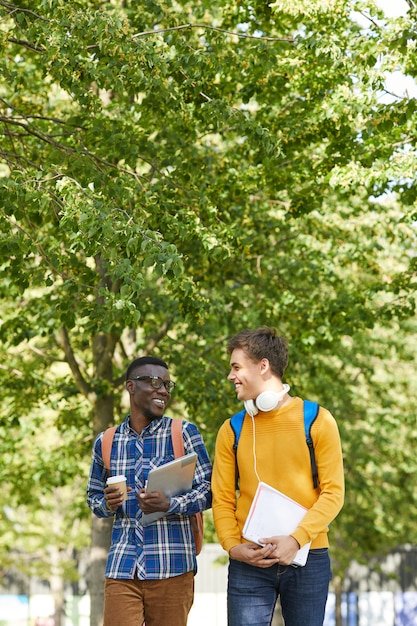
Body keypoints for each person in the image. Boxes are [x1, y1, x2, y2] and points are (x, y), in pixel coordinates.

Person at [212, 327, 344, 626]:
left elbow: (334, 493)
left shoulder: (318, 421)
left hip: (309, 559)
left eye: (236, 367)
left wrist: (296, 540)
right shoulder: (230, 430)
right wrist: (233, 546)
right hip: (249, 562)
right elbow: (221, 498)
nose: (230, 376)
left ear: (263, 365)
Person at [87, 356, 212, 626]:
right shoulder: (106, 441)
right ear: (131, 386)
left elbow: (209, 491)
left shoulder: (183, 433)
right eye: (155, 382)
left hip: (173, 566)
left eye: (167, 384)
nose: (163, 390)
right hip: (122, 568)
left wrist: (170, 504)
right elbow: (93, 498)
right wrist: (107, 504)